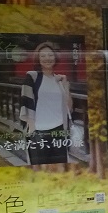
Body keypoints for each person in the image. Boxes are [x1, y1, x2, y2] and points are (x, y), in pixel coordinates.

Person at [20, 41, 73, 169]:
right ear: (38, 59)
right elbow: (25, 102)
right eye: (43, 56)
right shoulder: (32, 77)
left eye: (50, 55)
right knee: (39, 169)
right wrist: (31, 130)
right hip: (38, 131)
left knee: (60, 168)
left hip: (59, 131)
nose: (47, 58)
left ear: (55, 57)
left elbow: (69, 108)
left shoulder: (59, 80)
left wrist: (66, 86)